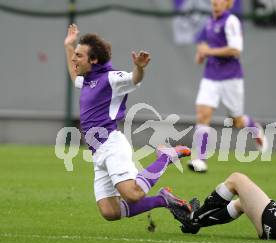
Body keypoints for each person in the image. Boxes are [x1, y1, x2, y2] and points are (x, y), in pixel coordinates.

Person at [64, 24, 192, 222]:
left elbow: (134, 79)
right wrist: (68, 46)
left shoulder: (111, 78)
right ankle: (163, 200)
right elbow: (74, 77)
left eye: (79, 56)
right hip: (98, 152)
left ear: (94, 60)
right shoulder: (88, 79)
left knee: (133, 194)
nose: (74, 59)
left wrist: (139, 68)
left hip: (111, 146)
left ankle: (166, 157)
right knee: (110, 212)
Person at [188, 0, 267, 173]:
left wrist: (209, 52)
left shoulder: (231, 21)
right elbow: (203, 48)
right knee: (203, 115)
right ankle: (200, 160)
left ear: (228, 4)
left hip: (231, 78)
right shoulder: (209, 22)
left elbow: (236, 50)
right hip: (210, 77)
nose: (216, 2)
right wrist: (201, 55)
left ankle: (254, 127)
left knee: (237, 121)